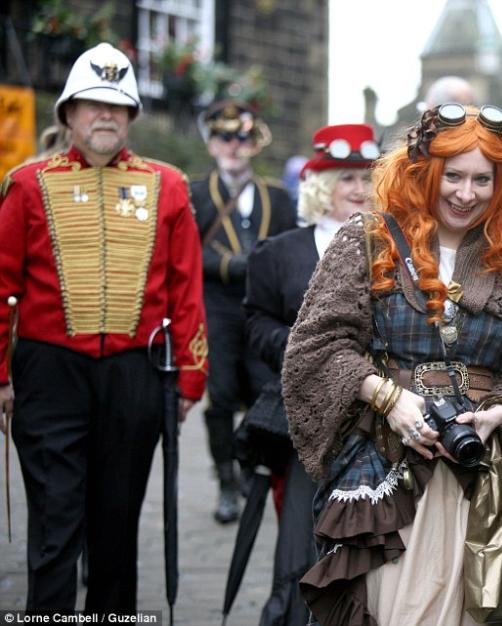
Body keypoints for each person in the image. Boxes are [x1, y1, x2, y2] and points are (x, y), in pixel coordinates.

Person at [281, 103, 502, 626]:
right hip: (389, 466)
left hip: (485, 471)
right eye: (452, 175)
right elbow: (315, 348)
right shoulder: (370, 239)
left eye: (483, 179)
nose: (466, 192)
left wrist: (497, 413)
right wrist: (389, 399)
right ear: (424, 172)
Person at [0, 42, 207, 612]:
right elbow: (1, 284)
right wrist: (0, 375)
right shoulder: (26, 183)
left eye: (117, 106)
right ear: (68, 114)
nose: (105, 116)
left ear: (132, 117)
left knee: (116, 528)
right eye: (93, 104)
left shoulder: (168, 186)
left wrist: (191, 378)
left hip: (134, 374)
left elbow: (186, 288)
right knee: (56, 520)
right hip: (48, 373)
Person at [242, 123, 378, 626]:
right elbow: (255, 323)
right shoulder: (278, 254)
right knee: (300, 545)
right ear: (322, 185)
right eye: (346, 179)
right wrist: (305, 351)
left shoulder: (396, 252)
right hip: (305, 420)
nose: (359, 190)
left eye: (366, 178)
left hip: (376, 419)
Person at [191, 100, 296, 524]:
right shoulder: (195, 193)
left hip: (263, 310)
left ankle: (252, 466)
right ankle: (225, 482)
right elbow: (183, 255)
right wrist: (231, 265)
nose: (234, 146)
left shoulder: (277, 196)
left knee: (264, 388)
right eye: (225, 138)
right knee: (218, 396)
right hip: (216, 307)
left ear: (253, 144)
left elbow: (291, 248)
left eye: (242, 138)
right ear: (212, 144)